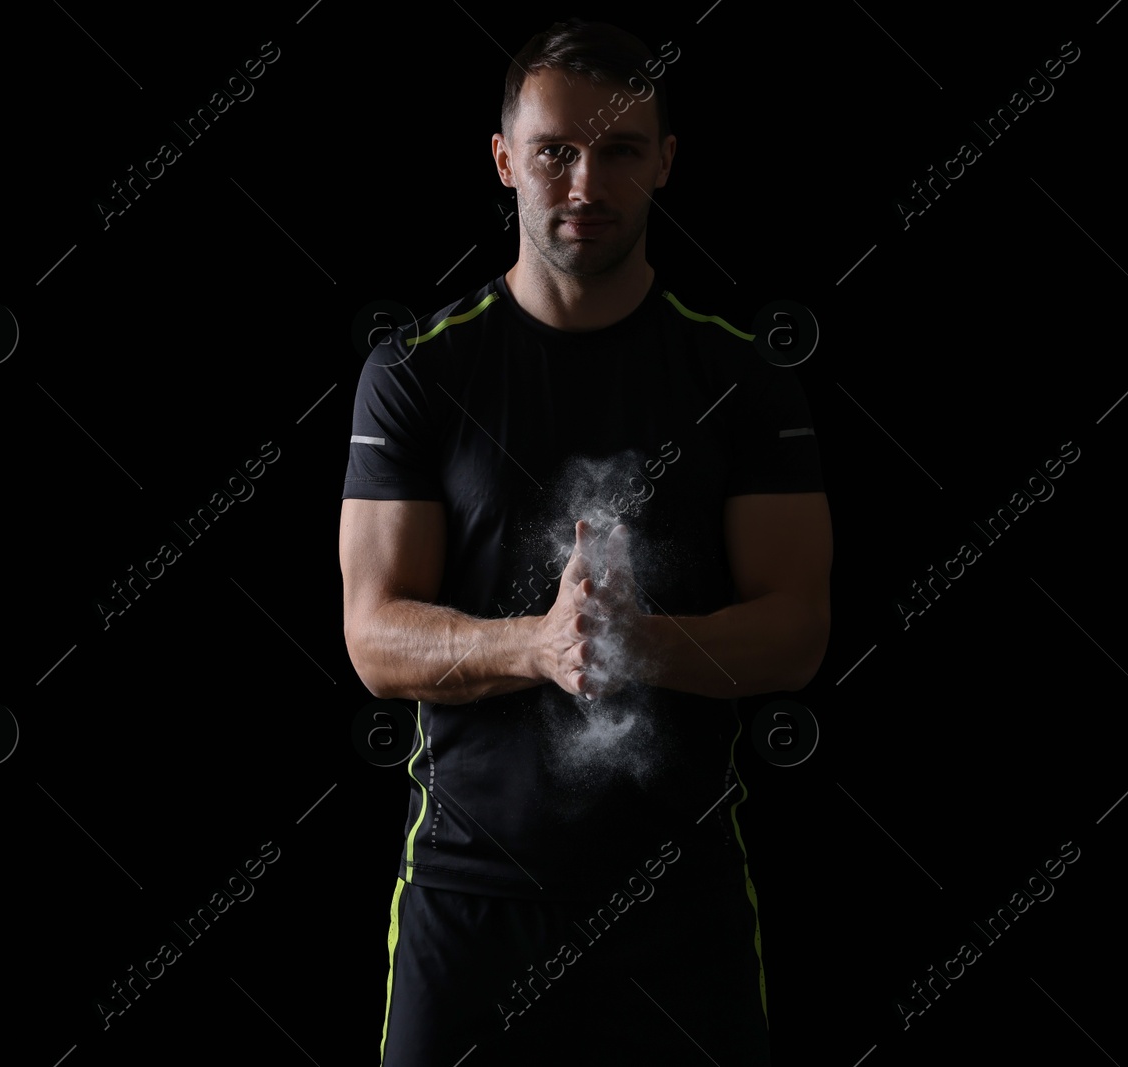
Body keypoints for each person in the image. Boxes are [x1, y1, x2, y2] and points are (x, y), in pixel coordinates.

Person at [339, 18, 831, 1066]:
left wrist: (638, 644)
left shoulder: (741, 378)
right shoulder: (417, 374)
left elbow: (797, 630)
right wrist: (542, 643)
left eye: (617, 150)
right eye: (556, 149)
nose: (583, 181)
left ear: (663, 162)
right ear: (504, 159)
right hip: (470, 900)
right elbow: (374, 638)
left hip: (679, 902)